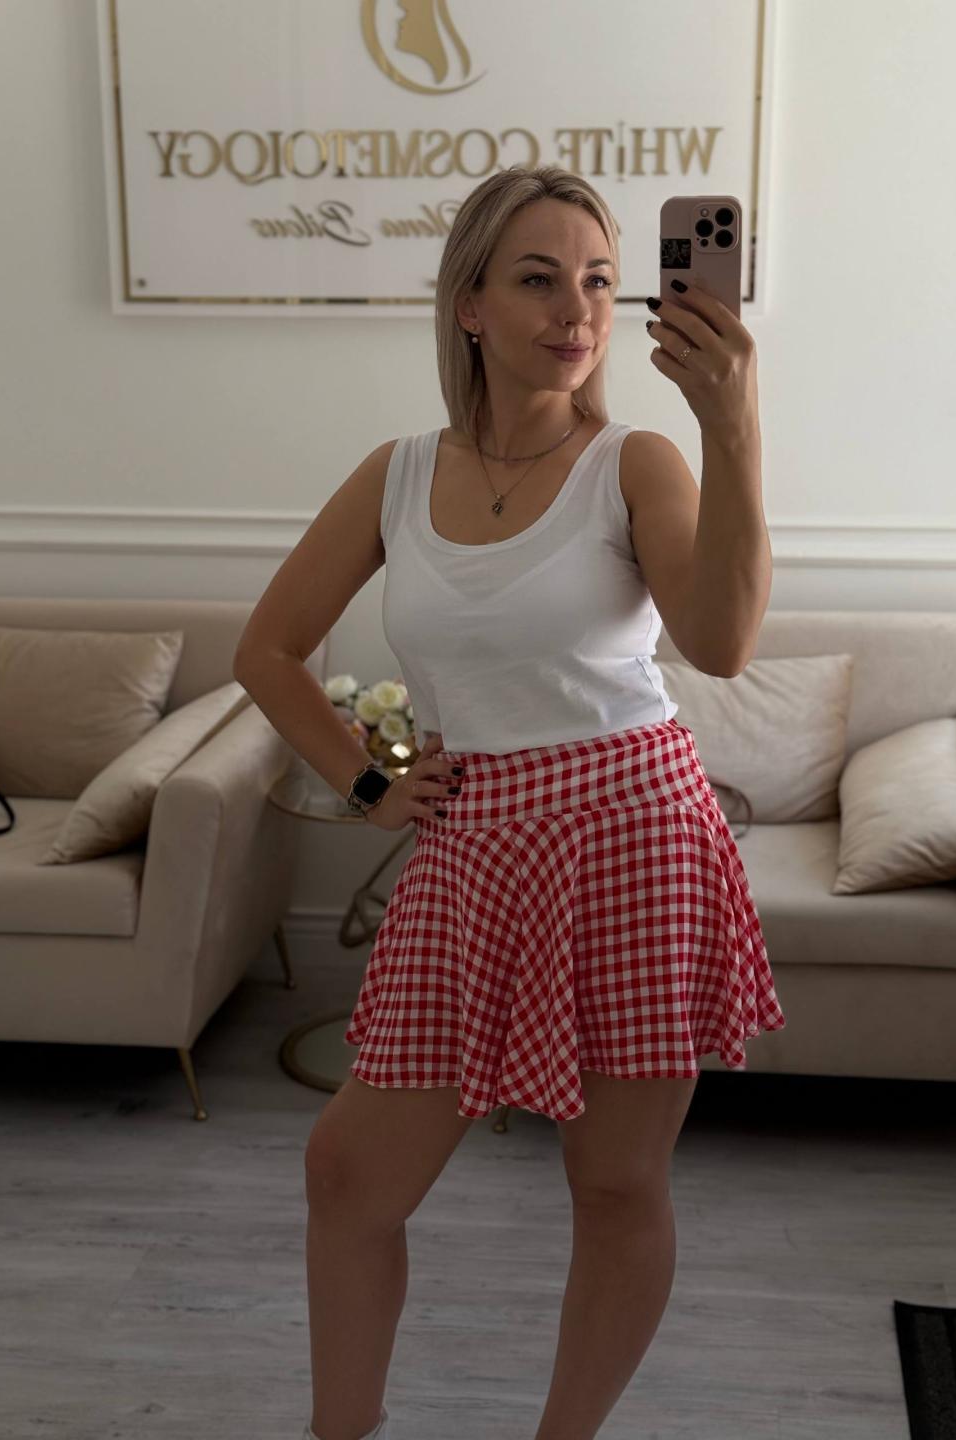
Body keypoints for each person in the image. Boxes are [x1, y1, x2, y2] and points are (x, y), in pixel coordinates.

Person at [233, 163, 785, 1440]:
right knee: (348, 1173)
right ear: (469, 304)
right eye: (538, 279)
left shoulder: (637, 462)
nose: (575, 309)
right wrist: (369, 783)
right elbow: (267, 650)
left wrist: (735, 426)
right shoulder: (396, 474)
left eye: (598, 280)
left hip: (636, 833)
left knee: (615, 1183)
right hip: (472, 843)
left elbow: (721, 643)